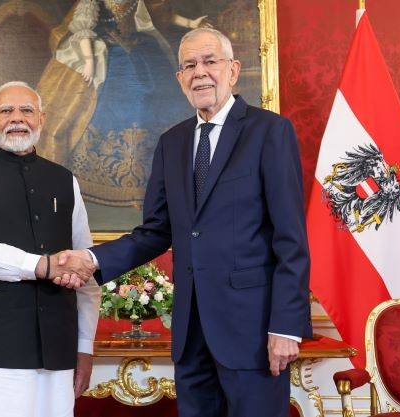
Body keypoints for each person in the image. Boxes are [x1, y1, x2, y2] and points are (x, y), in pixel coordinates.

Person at [60, 28, 312, 417]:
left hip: (253, 334)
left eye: (210, 61)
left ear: (233, 70)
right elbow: (156, 231)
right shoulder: (172, 143)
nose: (200, 72)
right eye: (190, 65)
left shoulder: (269, 131)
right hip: (191, 335)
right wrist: (92, 260)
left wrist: (286, 327)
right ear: (180, 78)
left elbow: (290, 239)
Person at [0, 81, 100, 417]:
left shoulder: (65, 180)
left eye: (26, 110)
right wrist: (41, 266)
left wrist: (85, 347)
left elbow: (85, 267)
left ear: (42, 118)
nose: (17, 118)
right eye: (6, 111)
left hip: (55, 351)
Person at [35, 0, 207, 207]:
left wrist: (191, 23)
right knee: (120, 98)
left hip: (141, 49)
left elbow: (160, 15)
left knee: (159, 96)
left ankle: (158, 181)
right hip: (106, 52)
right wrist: (89, 61)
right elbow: (83, 28)